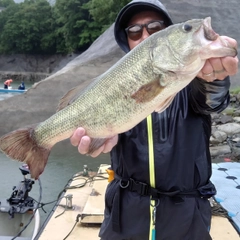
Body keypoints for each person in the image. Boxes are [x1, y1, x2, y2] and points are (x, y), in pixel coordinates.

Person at [70, 0, 238, 239]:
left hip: (186, 217)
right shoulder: (112, 86)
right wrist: (99, 136)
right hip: (124, 215)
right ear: (125, 39)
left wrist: (215, 79)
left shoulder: (192, 77)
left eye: (155, 27)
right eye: (134, 31)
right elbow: (100, 131)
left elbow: (212, 99)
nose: (145, 35)